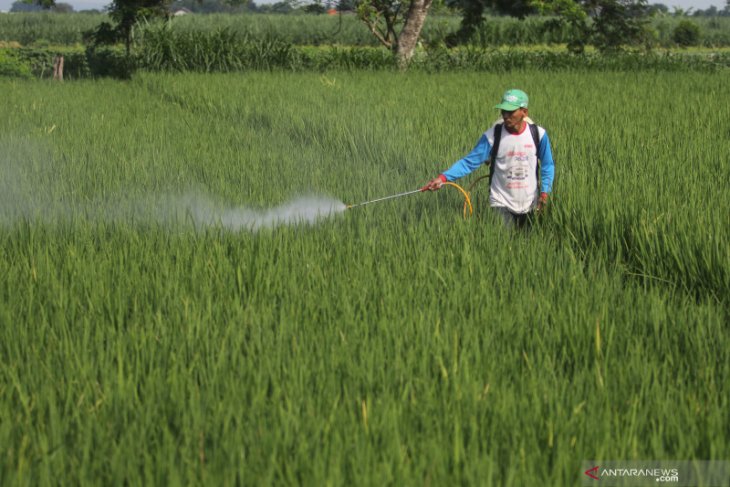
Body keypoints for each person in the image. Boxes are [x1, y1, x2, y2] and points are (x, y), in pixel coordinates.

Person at [422, 89, 555, 228]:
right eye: (503, 111)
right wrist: (442, 178)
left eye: (510, 112)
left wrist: (545, 193)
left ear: (524, 112)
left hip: (530, 203)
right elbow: (468, 163)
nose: (505, 115)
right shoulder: (492, 136)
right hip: (500, 201)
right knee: (504, 244)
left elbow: (547, 165)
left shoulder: (538, 134)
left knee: (527, 245)